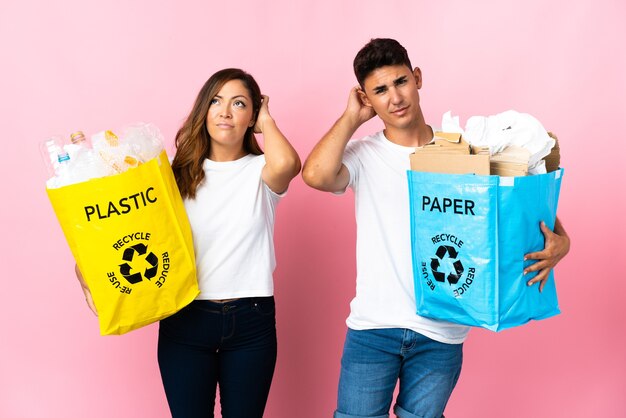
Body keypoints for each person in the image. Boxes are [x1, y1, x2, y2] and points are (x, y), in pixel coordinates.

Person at [302, 38, 570, 418]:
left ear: (417, 78)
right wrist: (350, 119)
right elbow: (314, 174)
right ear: (367, 98)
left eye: (400, 82)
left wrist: (564, 240)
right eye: (380, 90)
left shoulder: (466, 152)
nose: (394, 97)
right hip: (373, 328)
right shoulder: (364, 156)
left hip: (442, 332)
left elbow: (520, 203)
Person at [78, 68, 301, 418]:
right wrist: (85, 271)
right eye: (216, 101)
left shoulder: (262, 171)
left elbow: (290, 163)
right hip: (186, 319)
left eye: (239, 103)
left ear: (251, 117)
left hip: (251, 321)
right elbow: (119, 234)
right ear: (203, 110)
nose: (225, 111)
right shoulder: (171, 175)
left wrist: (267, 120)